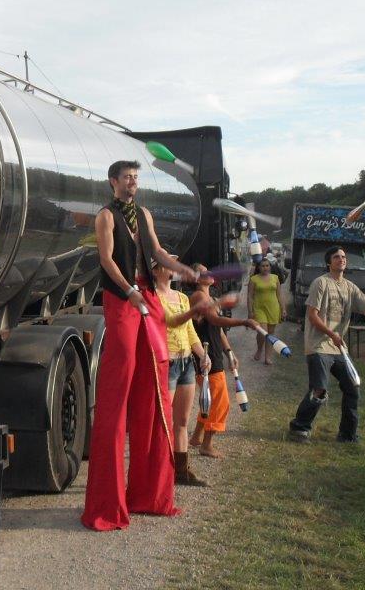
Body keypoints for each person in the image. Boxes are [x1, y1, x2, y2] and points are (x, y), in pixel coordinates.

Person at [81, 160, 199, 532]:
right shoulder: (105, 217)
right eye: (127, 178)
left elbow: (159, 254)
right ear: (113, 181)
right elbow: (106, 261)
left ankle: (149, 494)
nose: (133, 182)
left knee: (154, 392)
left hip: (146, 296)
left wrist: (186, 272)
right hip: (122, 301)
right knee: (120, 388)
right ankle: (108, 502)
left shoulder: (144, 214)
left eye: (136, 178)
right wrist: (130, 293)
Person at [287, 246, 365, 443]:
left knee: (353, 387)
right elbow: (312, 315)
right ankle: (299, 428)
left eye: (343, 257)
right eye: (336, 257)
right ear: (329, 262)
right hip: (318, 346)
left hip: (338, 348)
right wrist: (332, 334)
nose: (341, 259)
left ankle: (347, 434)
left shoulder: (350, 287)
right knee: (319, 390)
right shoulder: (321, 283)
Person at [188, 266, 260, 458]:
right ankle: (207, 445)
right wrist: (244, 322)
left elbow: (218, 331)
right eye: (203, 272)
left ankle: (196, 438)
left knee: (210, 399)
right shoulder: (198, 297)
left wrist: (229, 352)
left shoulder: (210, 299)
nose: (209, 274)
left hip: (215, 354)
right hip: (205, 356)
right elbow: (215, 320)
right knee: (220, 402)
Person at [153, 257, 211, 486]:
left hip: (186, 363)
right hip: (167, 364)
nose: (175, 267)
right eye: (169, 264)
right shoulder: (153, 297)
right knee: (163, 421)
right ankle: (159, 470)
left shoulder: (182, 297)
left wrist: (202, 355)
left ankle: (181, 471)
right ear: (157, 270)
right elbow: (172, 321)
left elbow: (189, 331)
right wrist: (196, 310)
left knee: (182, 420)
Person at [249, 258, 283, 365]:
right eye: (263, 266)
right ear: (259, 268)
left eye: (267, 265)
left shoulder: (275, 278)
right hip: (259, 308)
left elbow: (279, 295)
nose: (265, 268)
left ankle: (267, 357)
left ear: (270, 267)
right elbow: (250, 296)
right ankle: (259, 349)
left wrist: (283, 309)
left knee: (271, 334)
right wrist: (250, 311)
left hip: (273, 308)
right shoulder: (254, 279)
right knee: (263, 332)